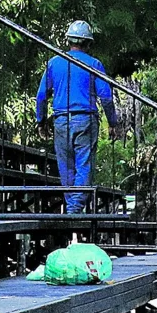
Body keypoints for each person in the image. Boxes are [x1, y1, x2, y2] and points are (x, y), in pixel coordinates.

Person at [34, 21, 120, 214]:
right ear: (89, 43)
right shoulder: (94, 64)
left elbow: (41, 96)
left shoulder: (54, 63)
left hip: (61, 120)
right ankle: (73, 210)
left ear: (68, 40)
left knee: (66, 167)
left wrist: (40, 120)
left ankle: (71, 209)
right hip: (86, 120)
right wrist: (113, 122)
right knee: (84, 165)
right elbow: (105, 97)